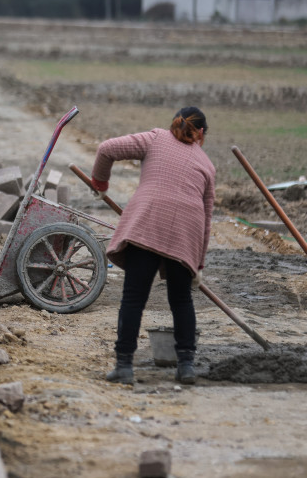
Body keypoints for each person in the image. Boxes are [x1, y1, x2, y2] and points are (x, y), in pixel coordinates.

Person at [90, 106, 215, 386]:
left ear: (174, 123)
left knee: (134, 298)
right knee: (181, 299)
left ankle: (124, 366)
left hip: (147, 225)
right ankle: (186, 366)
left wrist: (100, 183)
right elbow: (206, 219)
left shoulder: (155, 138)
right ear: (202, 133)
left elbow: (106, 148)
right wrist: (199, 265)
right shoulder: (207, 164)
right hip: (186, 232)